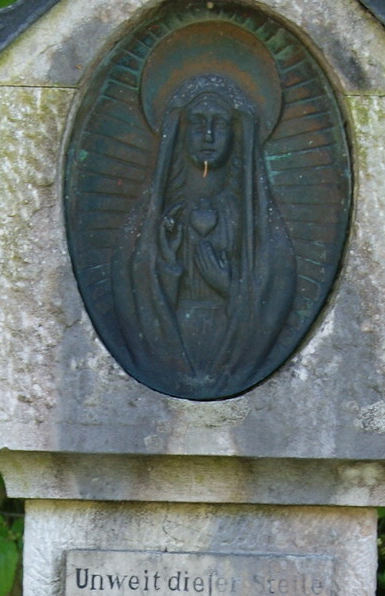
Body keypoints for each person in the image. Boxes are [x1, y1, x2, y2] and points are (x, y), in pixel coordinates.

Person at [111, 72, 297, 400]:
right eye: (197, 122)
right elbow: (134, 292)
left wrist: (227, 286)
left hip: (231, 348)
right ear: (180, 131)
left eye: (219, 124)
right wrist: (168, 267)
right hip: (173, 343)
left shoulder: (254, 222)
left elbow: (277, 289)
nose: (208, 135)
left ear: (236, 132)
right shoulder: (158, 219)